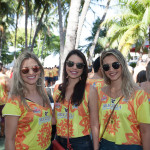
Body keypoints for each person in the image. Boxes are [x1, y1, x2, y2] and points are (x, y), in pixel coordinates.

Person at [98, 49, 150, 150]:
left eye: (115, 65)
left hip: (131, 146)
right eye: (106, 67)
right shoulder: (99, 93)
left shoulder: (138, 94)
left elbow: (146, 131)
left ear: (122, 65)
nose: (111, 69)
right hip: (105, 145)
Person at [2, 51, 52, 150]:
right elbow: (9, 140)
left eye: (35, 68)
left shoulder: (44, 94)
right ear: (19, 73)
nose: (31, 72)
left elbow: (49, 119)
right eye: (25, 70)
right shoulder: (15, 101)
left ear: (40, 70)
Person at [52, 50, 99, 150]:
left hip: (82, 144)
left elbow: (95, 124)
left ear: (83, 68)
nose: (74, 67)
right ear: (65, 65)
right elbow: (53, 119)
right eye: (70, 64)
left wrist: (96, 148)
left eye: (79, 65)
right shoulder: (57, 89)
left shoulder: (90, 90)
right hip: (59, 142)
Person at [0, 62, 10, 137]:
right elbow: (9, 89)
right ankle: (2, 132)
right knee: (4, 119)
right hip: (3, 102)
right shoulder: (5, 77)